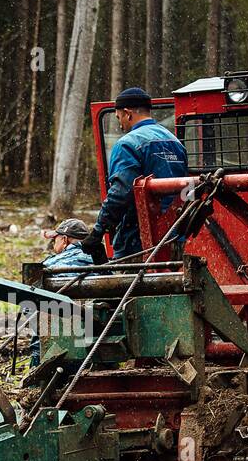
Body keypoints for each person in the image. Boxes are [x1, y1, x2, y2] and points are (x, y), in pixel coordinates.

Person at [80, 86, 188, 262]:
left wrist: (98, 232)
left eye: (119, 118)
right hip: (175, 238)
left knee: (135, 287)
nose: (121, 125)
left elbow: (121, 194)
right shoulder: (175, 142)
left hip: (138, 243)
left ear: (127, 113)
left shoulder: (127, 144)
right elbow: (184, 189)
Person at [29, 218, 95, 366]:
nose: (53, 244)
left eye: (55, 240)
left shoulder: (51, 264)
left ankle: (36, 367)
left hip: (58, 319)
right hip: (94, 320)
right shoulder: (100, 260)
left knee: (33, 309)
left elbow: (31, 293)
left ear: (64, 240)